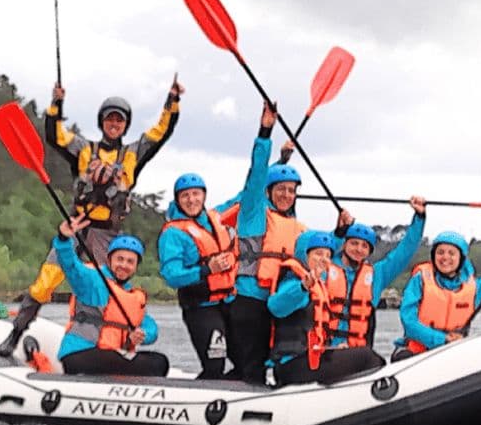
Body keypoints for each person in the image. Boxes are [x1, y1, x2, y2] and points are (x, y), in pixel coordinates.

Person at [0, 79, 183, 356]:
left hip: (108, 235)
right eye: (110, 119)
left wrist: (172, 102)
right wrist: (56, 103)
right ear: (102, 122)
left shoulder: (132, 153)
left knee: (105, 289)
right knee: (45, 282)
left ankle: (110, 344)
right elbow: (55, 136)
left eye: (119, 120)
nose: (114, 124)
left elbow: (160, 133)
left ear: (125, 125)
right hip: (75, 227)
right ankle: (15, 334)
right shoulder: (84, 149)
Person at [228, 102, 309, 384]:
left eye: (291, 191)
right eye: (281, 190)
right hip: (248, 299)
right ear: (269, 191)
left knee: (264, 362)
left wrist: (341, 228)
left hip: (277, 303)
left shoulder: (298, 228)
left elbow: (324, 250)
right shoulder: (253, 213)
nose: (287, 195)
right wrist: (266, 131)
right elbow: (257, 173)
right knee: (249, 364)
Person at [54, 213, 169, 376]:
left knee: (160, 362)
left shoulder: (134, 296)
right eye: (119, 259)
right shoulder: (92, 279)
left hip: (111, 355)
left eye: (130, 262)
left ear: (135, 267)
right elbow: (70, 265)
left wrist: (143, 335)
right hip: (80, 354)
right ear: (110, 260)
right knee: (116, 358)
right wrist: (64, 240)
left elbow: (150, 327)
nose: (124, 265)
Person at [392, 231, 481, 360]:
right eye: (440, 252)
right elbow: (409, 321)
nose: (445, 257)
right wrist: (443, 339)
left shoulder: (475, 288)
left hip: (453, 355)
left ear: (461, 258)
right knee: (402, 357)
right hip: (418, 355)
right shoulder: (420, 280)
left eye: (451, 253)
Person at [267, 231, 385, 386]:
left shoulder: (319, 287)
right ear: (305, 255)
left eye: (328, 256)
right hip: (291, 364)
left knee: (364, 356)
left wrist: (332, 348)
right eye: (318, 254)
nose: (324, 259)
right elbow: (276, 306)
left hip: (311, 359)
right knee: (368, 358)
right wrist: (303, 287)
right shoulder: (294, 281)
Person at [157, 173, 238, 379]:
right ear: (177, 199)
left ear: (204, 196)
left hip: (229, 302)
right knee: (214, 365)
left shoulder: (216, 217)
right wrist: (206, 270)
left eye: (196, 194)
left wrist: (280, 161)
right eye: (185, 195)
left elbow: (246, 195)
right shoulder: (173, 233)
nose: (191, 200)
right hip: (201, 307)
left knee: (248, 360)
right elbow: (172, 276)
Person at [325, 198, 426, 349]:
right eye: (354, 243)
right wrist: (339, 233)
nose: (358, 249)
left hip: (357, 355)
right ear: (344, 244)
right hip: (324, 352)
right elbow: (311, 252)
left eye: (364, 246)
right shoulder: (324, 266)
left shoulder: (377, 274)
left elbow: (404, 251)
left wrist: (419, 218)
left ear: (369, 251)